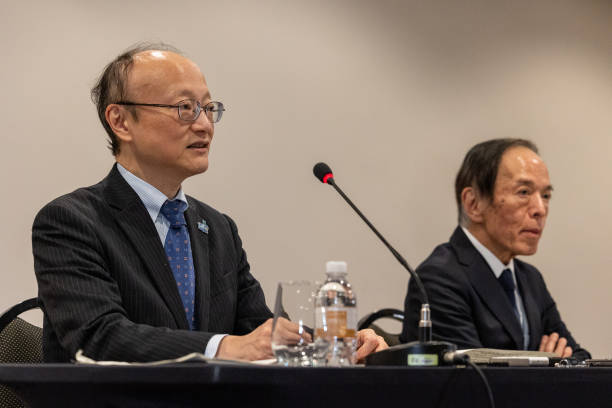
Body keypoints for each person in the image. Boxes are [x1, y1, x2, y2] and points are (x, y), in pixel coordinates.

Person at [32, 43, 387, 363]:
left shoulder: (218, 229)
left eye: (208, 108)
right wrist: (223, 347)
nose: (204, 125)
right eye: (185, 108)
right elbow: (98, 337)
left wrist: (336, 345)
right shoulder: (70, 221)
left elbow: (260, 331)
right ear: (121, 121)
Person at [401, 138, 590, 360]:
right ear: (473, 204)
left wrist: (547, 365)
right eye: (523, 192)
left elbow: (580, 359)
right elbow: (473, 375)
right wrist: (546, 364)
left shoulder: (530, 279)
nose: (540, 209)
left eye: (546, 196)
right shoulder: (438, 279)